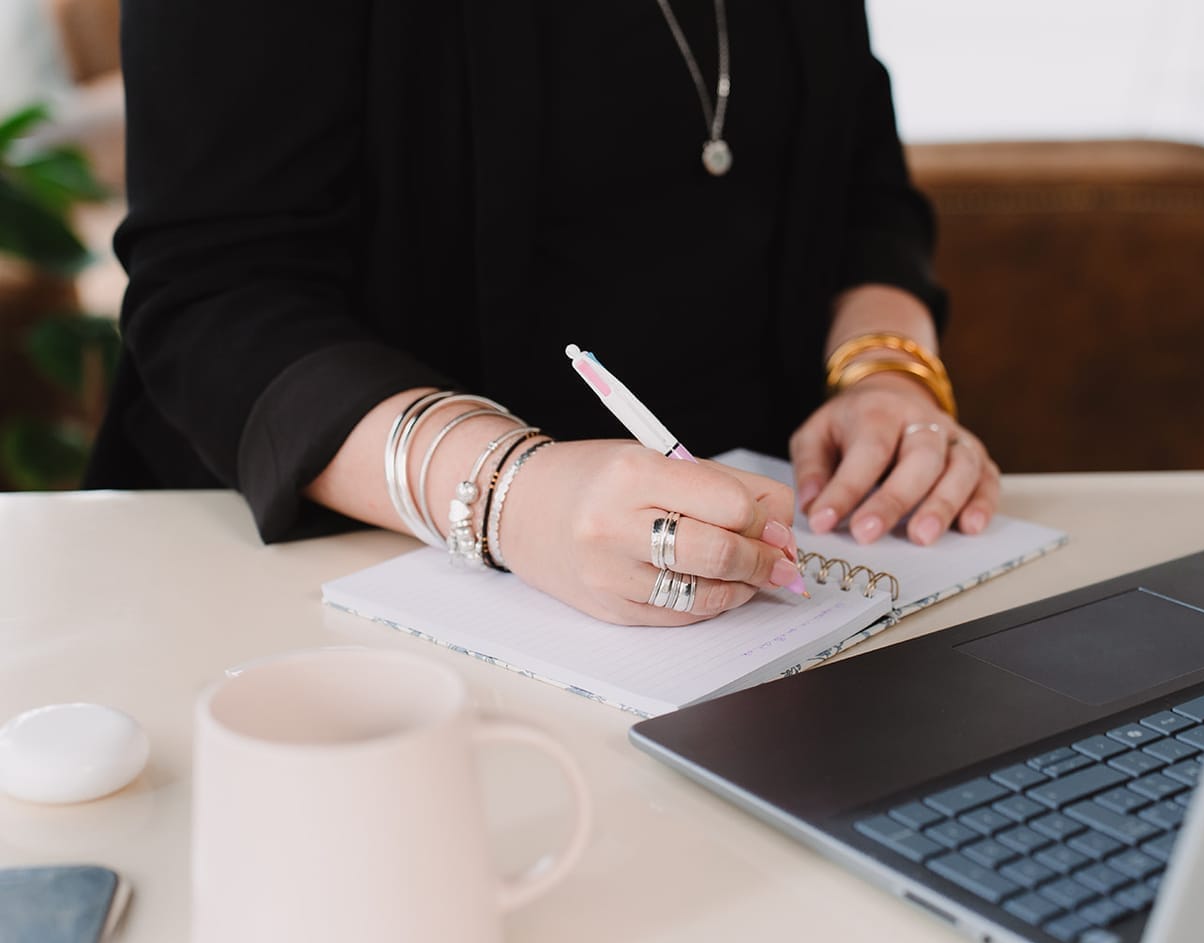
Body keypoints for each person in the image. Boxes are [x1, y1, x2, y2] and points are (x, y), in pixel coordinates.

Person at [85, 0, 1002, 626]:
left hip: (765, 576)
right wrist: (506, 495)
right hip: (337, 584)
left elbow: (864, 195)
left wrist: (884, 374)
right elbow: (215, 293)